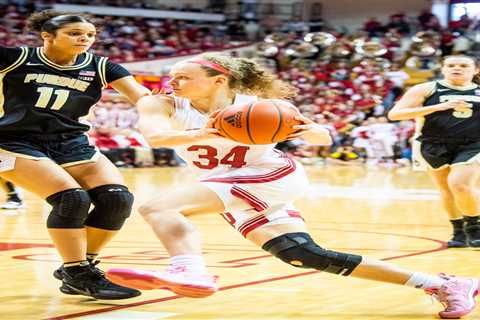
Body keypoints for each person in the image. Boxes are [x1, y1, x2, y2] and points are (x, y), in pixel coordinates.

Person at [107, 53, 479, 319]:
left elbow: (321, 137)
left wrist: (316, 130)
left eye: (184, 76)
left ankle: (189, 269)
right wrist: (201, 131)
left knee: (158, 207)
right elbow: (156, 139)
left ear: (218, 80)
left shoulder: (260, 106)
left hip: (270, 175)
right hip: (228, 185)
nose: (174, 82)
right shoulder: (161, 105)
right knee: (302, 254)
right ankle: (442, 284)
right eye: (174, 76)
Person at [0, 10, 152, 299]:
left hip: (71, 141)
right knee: (71, 199)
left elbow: (142, 97)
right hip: (12, 140)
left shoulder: (101, 66)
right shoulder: (15, 58)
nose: (84, 38)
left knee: (117, 199)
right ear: (47, 36)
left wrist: (175, 109)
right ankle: (77, 270)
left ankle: (80, 268)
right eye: (74, 33)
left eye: (90, 35)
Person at [389, 55, 480, 249]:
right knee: (446, 189)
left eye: (464, 65)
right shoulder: (426, 89)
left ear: (475, 70)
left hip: (473, 145)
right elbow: (395, 114)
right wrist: (440, 107)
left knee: (460, 185)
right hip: (432, 144)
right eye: (451, 65)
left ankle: (474, 228)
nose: (457, 68)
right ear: (443, 69)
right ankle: (458, 231)